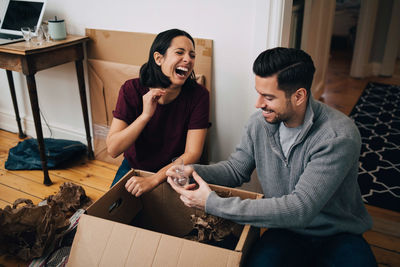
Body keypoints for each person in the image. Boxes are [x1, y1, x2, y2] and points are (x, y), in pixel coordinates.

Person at [166, 47, 377, 266]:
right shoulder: (259, 123)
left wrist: (212, 203)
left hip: (338, 234)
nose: (258, 104)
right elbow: (236, 170)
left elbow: (299, 209)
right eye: (258, 93)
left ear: (299, 96)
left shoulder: (337, 136)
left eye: (268, 97)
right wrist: (195, 170)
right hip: (285, 230)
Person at [106, 29, 209, 197]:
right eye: (180, 52)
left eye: (192, 55)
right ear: (159, 58)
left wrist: (154, 179)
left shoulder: (199, 96)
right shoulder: (130, 90)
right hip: (135, 167)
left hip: (175, 170)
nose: (188, 59)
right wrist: (145, 116)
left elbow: (193, 153)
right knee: (107, 215)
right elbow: (113, 149)